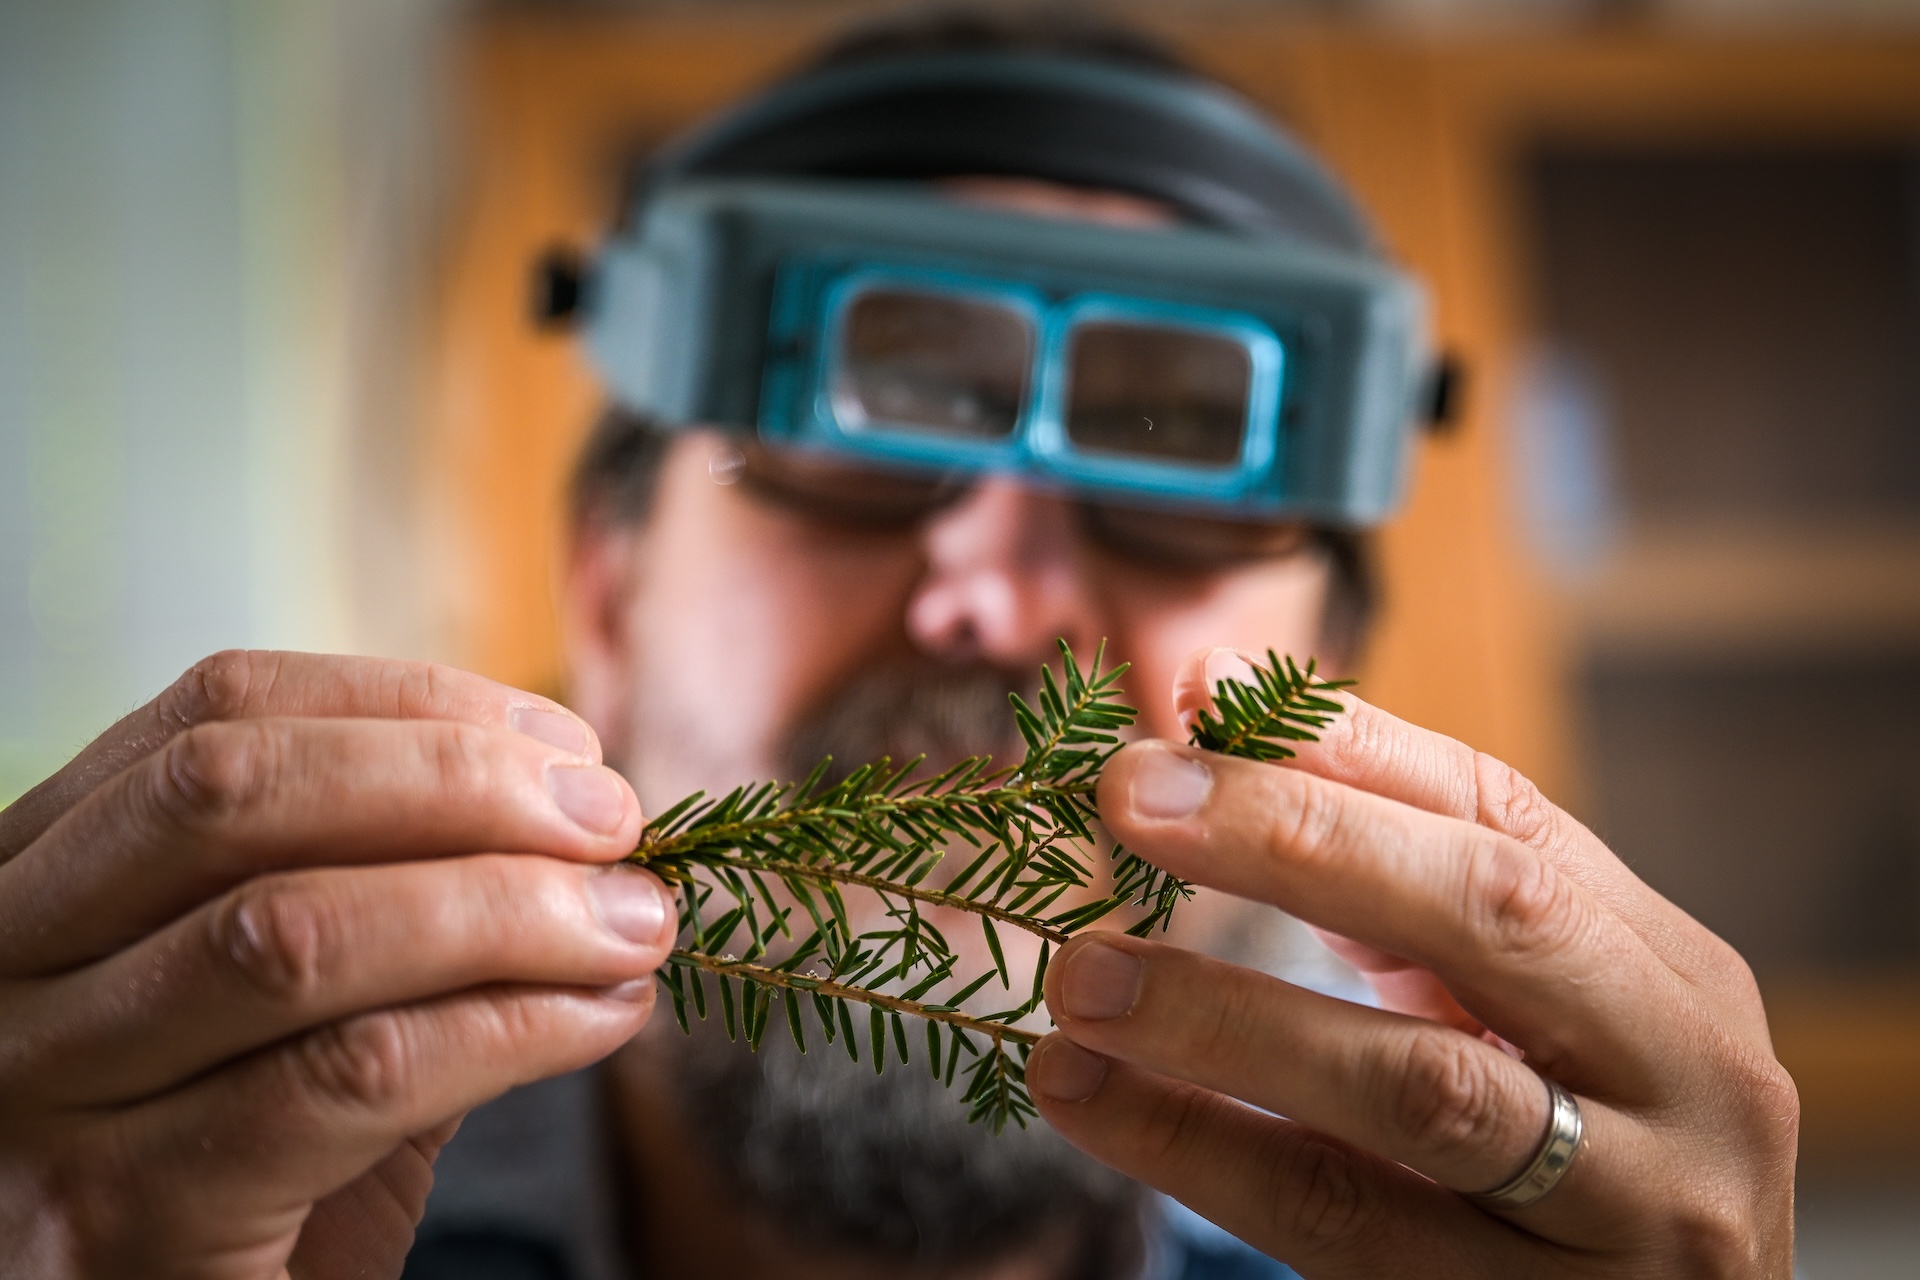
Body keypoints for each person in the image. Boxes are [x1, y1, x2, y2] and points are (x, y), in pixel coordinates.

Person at [0, 9, 1797, 1279]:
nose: (992, 598)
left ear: (1326, 678)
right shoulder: (207, 1207)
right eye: (865, 447)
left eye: (1167, 469)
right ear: (607, 601)